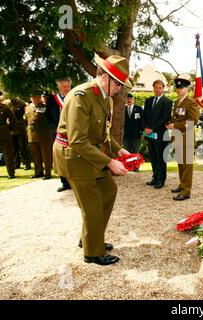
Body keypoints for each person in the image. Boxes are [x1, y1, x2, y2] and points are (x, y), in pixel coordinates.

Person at [53, 55, 132, 266]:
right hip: (73, 156)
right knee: (92, 204)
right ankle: (92, 252)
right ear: (105, 77)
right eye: (118, 83)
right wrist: (109, 162)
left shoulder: (106, 98)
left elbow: (104, 134)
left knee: (109, 191)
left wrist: (120, 150)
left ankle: (90, 237)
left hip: (88, 154)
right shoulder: (82, 96)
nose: (120, 88)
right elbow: (77, 140)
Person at [166, 76, 200, 201]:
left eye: (182, 87)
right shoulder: (177, 102)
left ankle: (186, 191)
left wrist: (175, 125)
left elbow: (193, 121)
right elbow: (177, 118)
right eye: (178, 87)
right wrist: (170, 123)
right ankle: (182, 185)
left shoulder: (191, 103)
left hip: (187, 138)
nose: (179, 89)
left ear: (187, 89)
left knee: (187, 165)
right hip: (178, 137)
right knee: (181, 164)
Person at [142, 80, 172, 188]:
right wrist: (145, 127)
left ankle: (161, 179)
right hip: (149, 135)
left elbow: (165, 118)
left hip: (160, 134)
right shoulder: (148, 101)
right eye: (156, 87)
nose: (157, 89)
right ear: (153, 88)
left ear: (163, 88)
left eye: (160, 87)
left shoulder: (167, 102)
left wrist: (152, 129)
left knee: (161, 158)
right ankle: (155, 177)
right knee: (153, 157)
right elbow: (144, 116)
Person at [46, 77, 72, 192]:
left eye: (68, 86)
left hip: (72, 132)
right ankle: (65, 183)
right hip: (57, 132)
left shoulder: (75, 97)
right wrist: (54, 127)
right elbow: (47, 116)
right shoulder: (52, 99)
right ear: (58, 87)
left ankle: (74, 181)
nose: (66, 89)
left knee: (72, 156)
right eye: (64, 87)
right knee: (59, 157)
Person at [26, 92, 52, 179]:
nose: (35, 98)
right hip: (32, 135)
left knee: (46, 155)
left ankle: (47, 173)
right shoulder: (28, 107)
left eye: (37, 97)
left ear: (40, 97)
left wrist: (43, 102)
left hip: (43, 135)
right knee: (35, 155)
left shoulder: (44, 106)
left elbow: (42, 115)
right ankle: (38, 172)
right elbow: (27, 120)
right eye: (33, 97)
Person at [0, 89, 16, 179]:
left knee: (8, 155)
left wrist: (7, 130)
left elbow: (13, 121)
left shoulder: (5, 108)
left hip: (4, 135)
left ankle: (11, 173)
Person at [5, 98, 31, 170]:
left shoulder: (21, 104)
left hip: (20, 128)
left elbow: (26, 115)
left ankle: (26, 163)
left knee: (23, 147)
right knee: (14, 148)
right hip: (11, 129)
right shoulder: (7, 105)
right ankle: (16, 163)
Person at [123, 93, 144, 160]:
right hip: (125, 136)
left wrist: (143, 133)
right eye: (127, 99)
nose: (129, 100)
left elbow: (142, 122)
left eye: (130, 99)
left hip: (136, 136)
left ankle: (136, 169)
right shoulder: (122, 109)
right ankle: (127, 168)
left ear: (133, 100)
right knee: (126, 153)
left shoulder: (139, 109)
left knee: (136, 153)